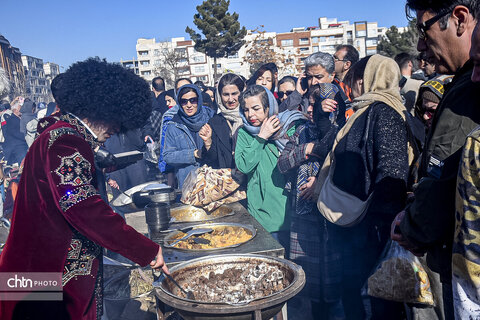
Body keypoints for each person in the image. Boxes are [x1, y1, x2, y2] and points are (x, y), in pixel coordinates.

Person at [0, 58, 168, 320]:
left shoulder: (62, 133)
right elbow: (84, 207)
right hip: (43, 277)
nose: (117, 129)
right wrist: (145, 249)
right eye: (116, 120)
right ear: (99, 108)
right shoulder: (67, 140)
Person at [391, 1, 480, 319]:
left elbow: (443, 184)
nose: (419, 45)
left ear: (458, 19)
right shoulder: (464, 80)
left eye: (423, 29)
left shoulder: (469, 87)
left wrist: (411, 225)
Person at [321, 54, 414, 319]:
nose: (350, 88)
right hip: (359, 229)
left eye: (352, 82)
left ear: (365, 80)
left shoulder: (383, 112)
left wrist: (377, 230)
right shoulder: (367, 109)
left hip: (370, 232)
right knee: (357, 293)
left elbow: (391, 174)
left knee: (376, 300)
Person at [278, 83, 345, 320]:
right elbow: (283, 163)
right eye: (310, 102)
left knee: (334, 288)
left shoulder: (343, 130)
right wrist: (304, 149)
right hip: (303, 218)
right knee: (307, 285)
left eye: (318, 104)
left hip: (331, 217)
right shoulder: (301, 131)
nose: (311, 108)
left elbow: (344, 165)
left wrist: (320, 181)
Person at [235, 84, 305, 253]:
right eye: (246, 110)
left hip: (291, 210)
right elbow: (243, 165)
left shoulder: (289, 127)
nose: (251, 114)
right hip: (261, 213)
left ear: (269, 107)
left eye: (256, 108)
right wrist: (261, 137)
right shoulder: (244, 133)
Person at [162, 84, 214, 188]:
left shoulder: (211, 118)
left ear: (199, 100)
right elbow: (167, 156)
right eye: (184, 101)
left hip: (211, 181)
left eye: (193, 100)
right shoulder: (174, 125)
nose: (189, 105)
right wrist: (193, 154)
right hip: (188, 183)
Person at [199, 73, 245, 169]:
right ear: (219, 96)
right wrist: (208, 143)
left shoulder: (251, 116)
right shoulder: (215, 122)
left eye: (234, 94)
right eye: (225, 94)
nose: (230, 99)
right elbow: (212, 159)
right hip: (228, 180)